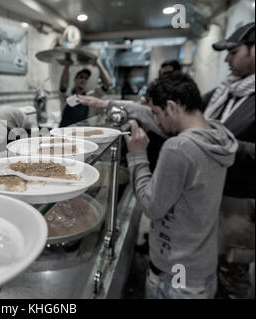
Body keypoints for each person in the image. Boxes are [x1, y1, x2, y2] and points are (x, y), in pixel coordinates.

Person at [81, 72, 238, 298]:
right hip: (200, 264)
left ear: (172, 107)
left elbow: (151, 207)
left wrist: (137, 155)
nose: (157, 121)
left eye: (157, 113)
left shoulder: (179, 148)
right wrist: (108, 104)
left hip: (176, 273)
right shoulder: (217, 135)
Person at [204, 22, 255, 299]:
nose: (226, 59)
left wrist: (228, 144)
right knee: (212, 261)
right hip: (214, 193)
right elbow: (190, 112)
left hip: (240, 202)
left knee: (233, 270)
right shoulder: (226, 91)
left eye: (233, 52)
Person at [58, 57, 111, 127]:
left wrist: (98, 64)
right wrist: (67, 66)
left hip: (81, 133)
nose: (83, 80)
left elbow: (107, 84)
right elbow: (63, 85)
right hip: (64, 132)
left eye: (86, 78)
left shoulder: (91, 96)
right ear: (75, 79)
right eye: (81, 77)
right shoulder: (67, 95)